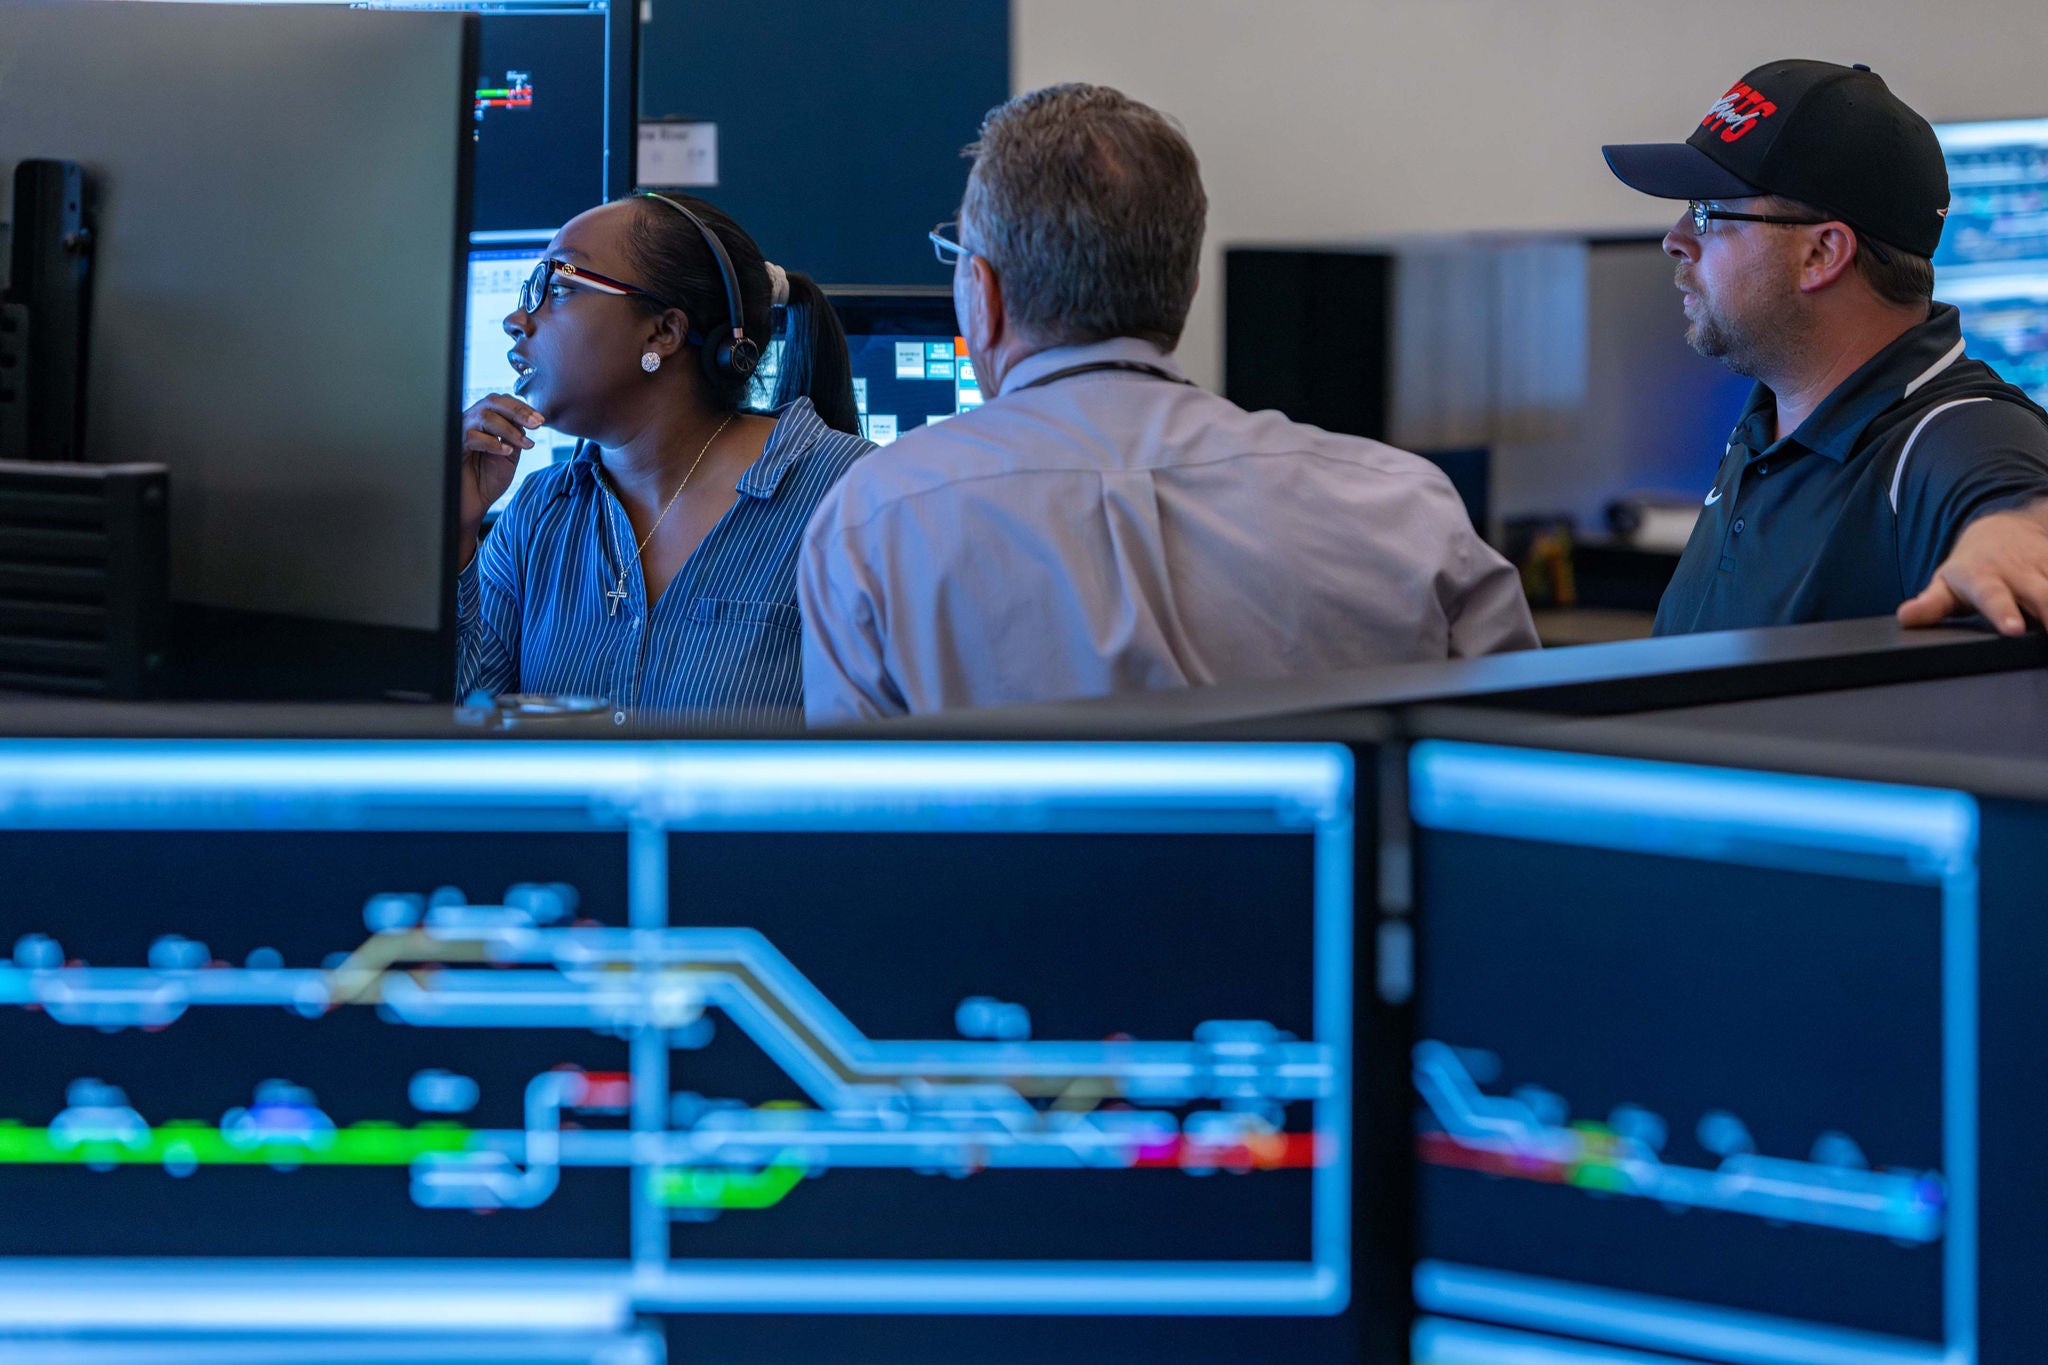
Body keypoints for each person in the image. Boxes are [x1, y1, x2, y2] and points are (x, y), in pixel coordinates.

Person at [798, 84, 1535, 725]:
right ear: (1185, 289)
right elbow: (1515, 794)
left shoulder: (872, 524)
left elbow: (857, 839)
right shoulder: (1409, 511)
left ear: (981, 297)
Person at [1602, 59, 2048, 637]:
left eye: (1707, 213)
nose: (1675, 241)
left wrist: (2020, 536)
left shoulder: (1953, 436)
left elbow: (2017, 505)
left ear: (1822, 254)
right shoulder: (1768, 423)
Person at [459, 192, 871, 727]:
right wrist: (458, 532)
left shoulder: (854, 499)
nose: (517, 320)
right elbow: (460, 726)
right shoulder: (539, 513)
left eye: (557, 288)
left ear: (663, 332)